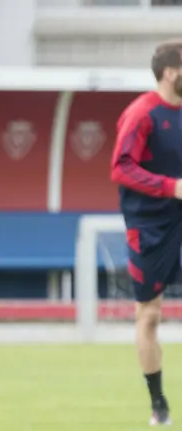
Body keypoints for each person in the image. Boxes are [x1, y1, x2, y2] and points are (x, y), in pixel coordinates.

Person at [110, 40, 182, 427]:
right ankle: (159, 404)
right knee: (150, 316)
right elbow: (121, 168)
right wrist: (171, 187)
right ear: (171, 71)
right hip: (151, 227)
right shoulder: (142, 114)